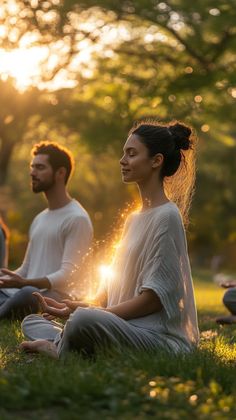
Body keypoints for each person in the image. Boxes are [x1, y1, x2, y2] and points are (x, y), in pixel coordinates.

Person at [20, 120, 199, 359]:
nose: (122, 160)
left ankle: (58, 348)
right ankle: (69, 337)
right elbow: (109, 296)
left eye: (131, 154)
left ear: (156, 161)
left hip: (157, 337)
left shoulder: (167, 216)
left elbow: (153, 301)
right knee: (32, 321)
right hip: (122, 326)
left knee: (84, 320)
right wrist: (78, 306)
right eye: (124, 153)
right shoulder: (133, 219)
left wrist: (93, 314)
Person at [0, 142, 93, 320]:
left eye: (40, 167)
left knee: (28, 294)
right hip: (25, 291)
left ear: (60, 173)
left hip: (55, 296)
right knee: (22, 292)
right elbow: (26, 269)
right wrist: (6, 279)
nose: (32, 173)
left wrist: (24, 283)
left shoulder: (77, 218)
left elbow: (67, 276)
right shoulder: (40, 218)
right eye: (32, 167)